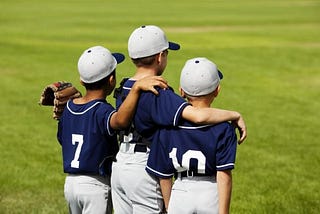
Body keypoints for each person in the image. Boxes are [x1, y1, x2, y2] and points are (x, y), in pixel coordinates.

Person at [111, 25, 247, 214]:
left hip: (120, 167)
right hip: (144, 168)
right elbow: (198, 116)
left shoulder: (125, 87)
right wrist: (234, 114)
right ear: (160, 56)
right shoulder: (158, 92)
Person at [57, 45, 168, 214]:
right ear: (111, 80)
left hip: (70, 185)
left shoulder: (69, 108)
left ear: (81, 81)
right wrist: (136, 89)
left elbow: (62, 139)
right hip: (95, 186)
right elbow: (121, 121)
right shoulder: (103, 110)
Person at [146, 57, 237, 214]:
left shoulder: (168, 126)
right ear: (217, 90)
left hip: (181, 192)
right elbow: (224, 176)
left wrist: (169, 205)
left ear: (181, 91)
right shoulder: (224, 128)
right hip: (210, 192)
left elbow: (165, 176)